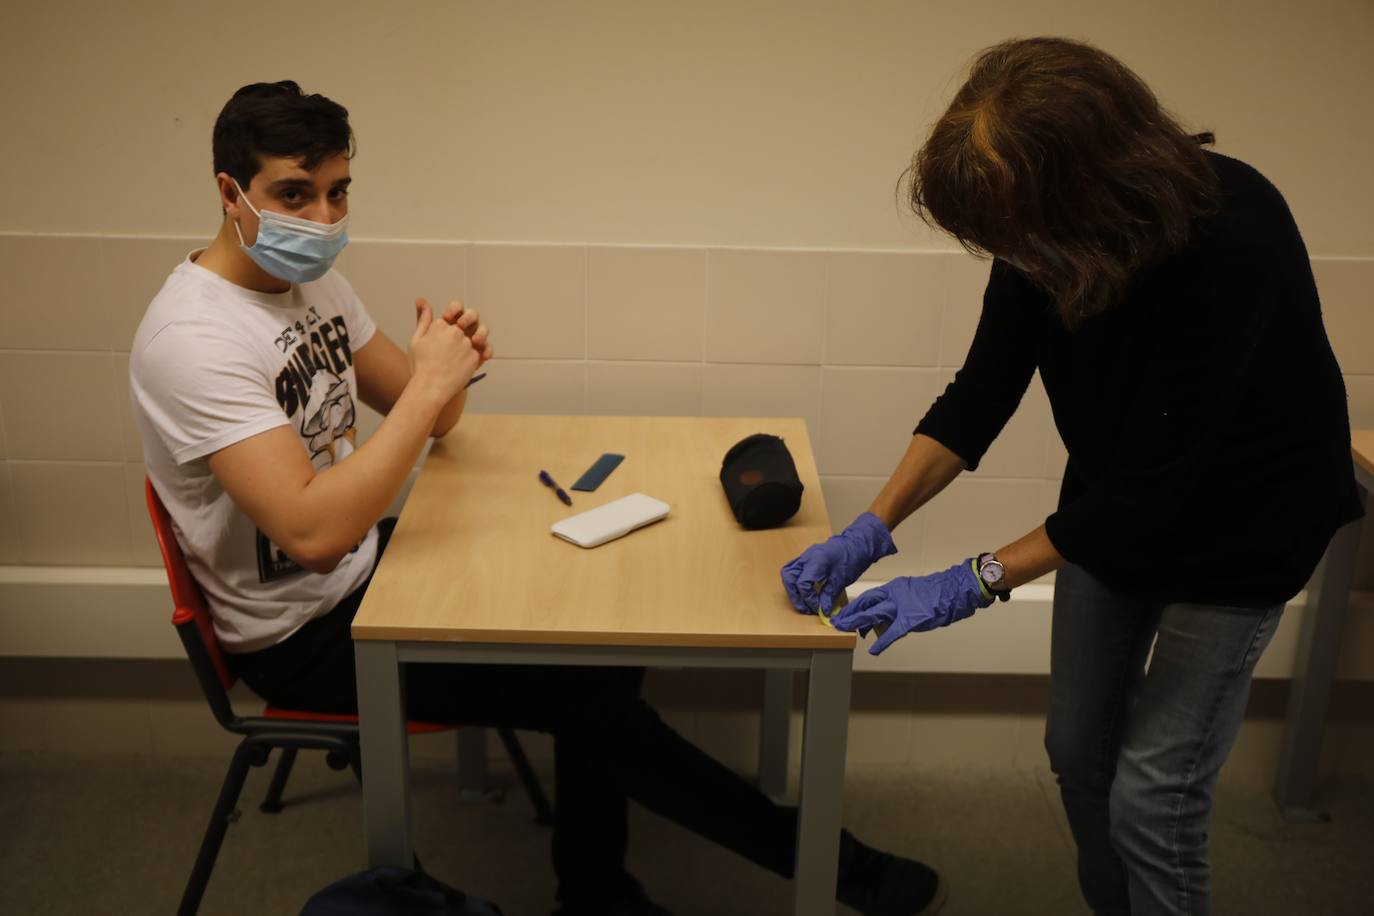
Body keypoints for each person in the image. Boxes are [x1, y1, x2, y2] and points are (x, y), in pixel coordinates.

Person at [130, 80, 945, 916]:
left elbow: (430, 415)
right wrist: (428, 394)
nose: (324, 218)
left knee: (605, 630)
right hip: (299, 630)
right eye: (293, 195)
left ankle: (593, 887)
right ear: (231, 192)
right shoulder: (194, 340)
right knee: (588, 696)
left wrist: (448, 367)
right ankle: (817, 866)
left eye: (338, 192)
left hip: (366, 564)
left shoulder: (314, 289)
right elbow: (312, 533)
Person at [781, 37, 1363, 916]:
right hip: (1112, 503)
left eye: (1010, 233)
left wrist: (972, 579)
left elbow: (1161, 483)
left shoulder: (1235, 233)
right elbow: (980, 396)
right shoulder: (1038, 233)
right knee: (1078, 757)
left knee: (1152, 800)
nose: (1005, 253)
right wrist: (875, 526)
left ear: (1087, 181)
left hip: (1246, 527)